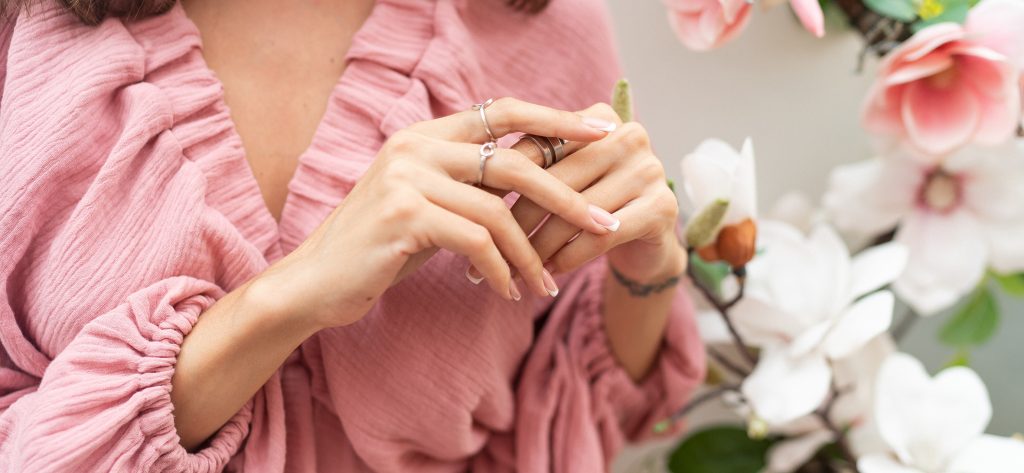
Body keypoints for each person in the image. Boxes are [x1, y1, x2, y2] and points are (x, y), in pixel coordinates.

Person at [0, 0, 705, 471]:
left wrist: (649, 261)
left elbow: (576, 419)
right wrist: (294, 294)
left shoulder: (543, 24)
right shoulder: (27, 36)